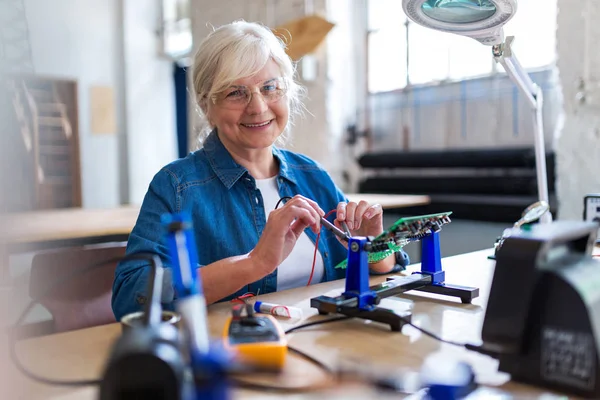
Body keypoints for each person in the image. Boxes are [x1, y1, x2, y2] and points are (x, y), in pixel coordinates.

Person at [111, 21, 408, 321]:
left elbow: (379, 270)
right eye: (235, 93)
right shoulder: (177, 186)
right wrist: (254, 263)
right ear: (206, 105)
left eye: (270, 88)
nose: (258, 107)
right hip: (233, 355)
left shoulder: (311, 175)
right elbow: (131, 296)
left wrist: (374, 246)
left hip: (324, 347)